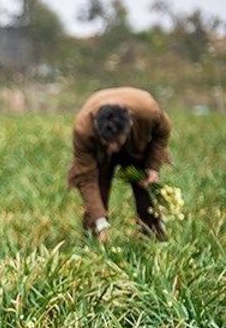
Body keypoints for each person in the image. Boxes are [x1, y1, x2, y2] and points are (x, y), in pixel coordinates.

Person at [68, 87, 172, 242]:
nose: (112, 148)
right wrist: (100, 222)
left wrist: (153, 166)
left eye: (117, 142)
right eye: (107, 142)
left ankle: (154, 234)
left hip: (137, 146)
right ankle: (94, 235)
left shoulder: (148, 112)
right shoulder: (83, 130)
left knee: (144, 186)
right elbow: (86, 177)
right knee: (98, 190)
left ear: (129, 125)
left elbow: (162, 134)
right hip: (99, 154)